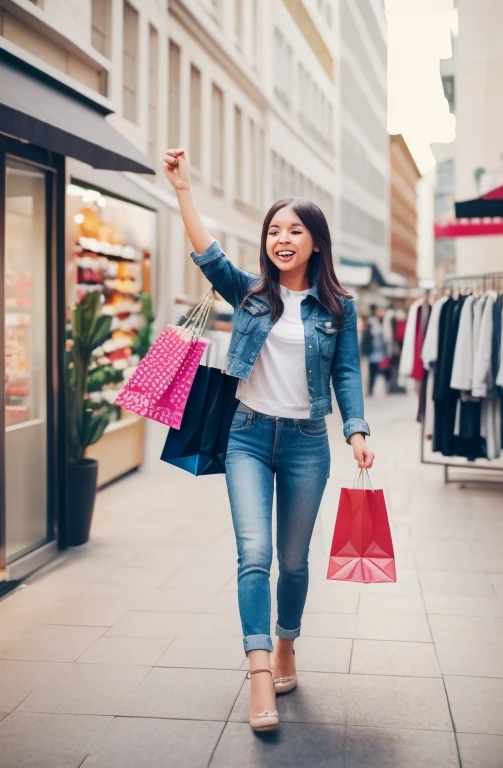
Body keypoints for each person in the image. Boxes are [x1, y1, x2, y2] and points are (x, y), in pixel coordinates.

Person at [163, 148, 374, 733]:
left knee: (294, 560)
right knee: (254, 554)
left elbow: (347, 373)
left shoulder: (339, 308)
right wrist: (183, 188)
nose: (283, 238)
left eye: (295, 230)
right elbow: (207, 253)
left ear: (315, 243)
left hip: (308, 443)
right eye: (275, 230)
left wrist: (355, 428)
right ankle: (259, 670)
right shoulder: (251, 295)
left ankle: (287, 644)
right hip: (248, 438)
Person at [363, 304, 390, 396]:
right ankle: (371, 388)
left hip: (375, 351)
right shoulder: (374, 321)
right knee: (375, 371)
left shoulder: (374, 321)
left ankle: (372, 388)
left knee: (374, 371)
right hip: (375, 351)